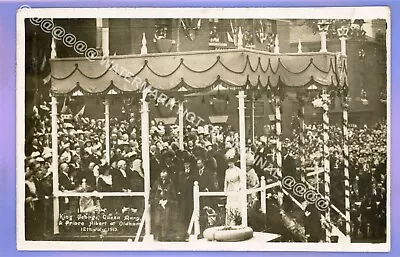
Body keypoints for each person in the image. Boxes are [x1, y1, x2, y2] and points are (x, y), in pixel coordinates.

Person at [150, 168, 178, 241]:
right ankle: (157, 236)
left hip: (167, 204)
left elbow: (173, 194)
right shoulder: (156, 182)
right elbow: (152, 193)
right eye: (162, 176)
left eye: (164, 177)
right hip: (158, 203)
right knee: (157, 220)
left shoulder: (170, 183)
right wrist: (158, 201)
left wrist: (167, 200)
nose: (163, 178)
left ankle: (164, 237)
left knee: (165, 221)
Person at [224, 149, 242, 226]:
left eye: (231, 162)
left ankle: (237, 221)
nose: (230, 164)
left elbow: (242, 180)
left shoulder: (238, 170)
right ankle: (229, 222)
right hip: (230, 189)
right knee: (230, 205)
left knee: (236, 205)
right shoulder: (227, 171)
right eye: (228, 162)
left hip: (236, 188)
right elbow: (225, 181)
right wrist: (225, 189)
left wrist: (239, 188)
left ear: (234, 162)